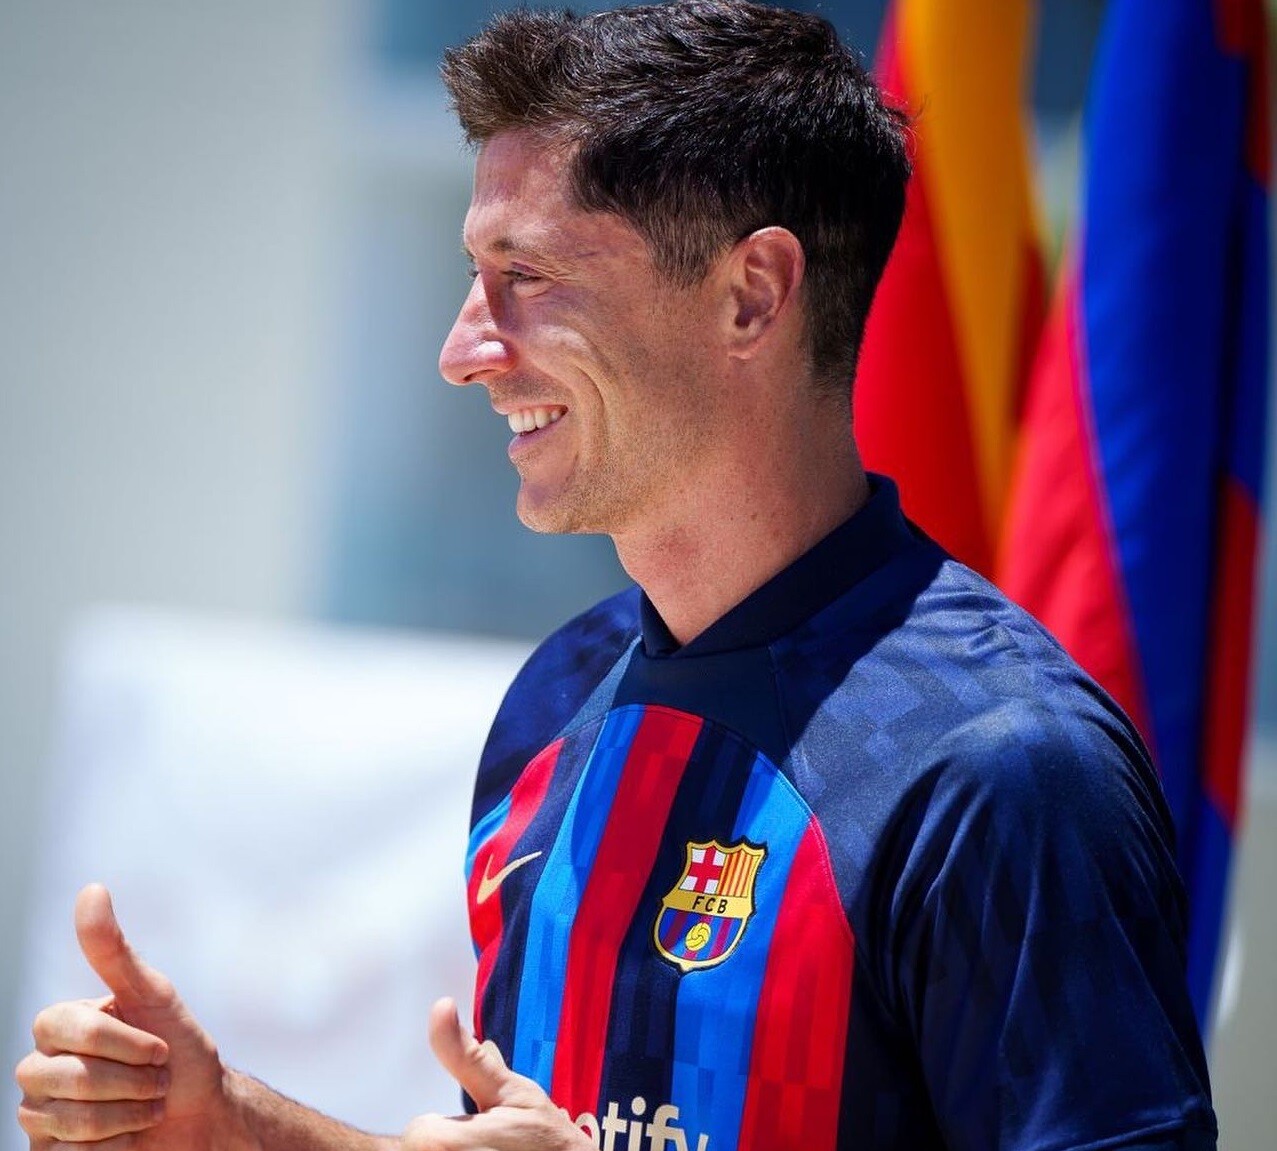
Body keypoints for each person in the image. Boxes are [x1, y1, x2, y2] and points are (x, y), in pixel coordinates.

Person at [15, 2, 1217, 1149]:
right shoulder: (559, 694)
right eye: (473, 273)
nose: (461, 350)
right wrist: (235, 1123)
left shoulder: (1001, 764)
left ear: (750, 295)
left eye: (527, 275)